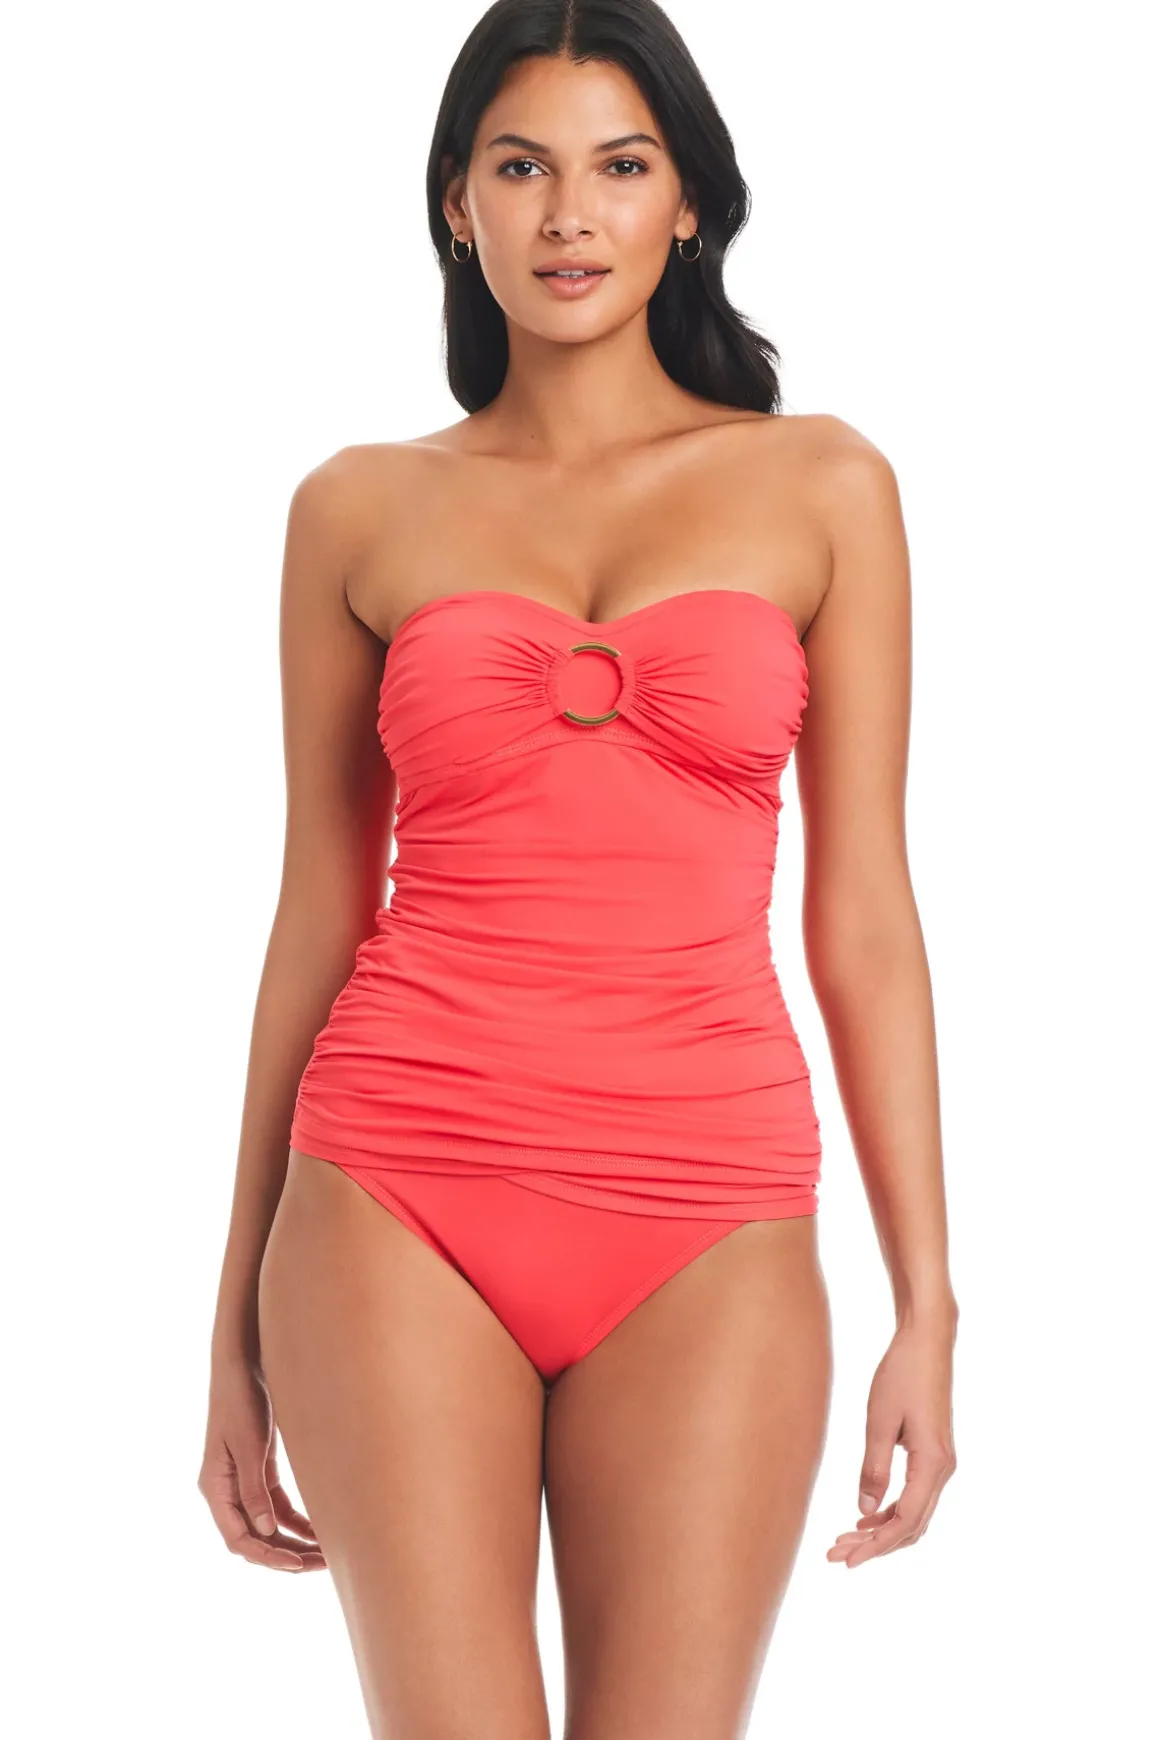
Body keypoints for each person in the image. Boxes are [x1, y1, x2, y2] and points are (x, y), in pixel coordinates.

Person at [199, 2, 958, 1734]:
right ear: (454, 203)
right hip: (395, 1193)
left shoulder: (824, 486)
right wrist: (230, 1317)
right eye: (520, 168)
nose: (568, 216)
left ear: (688, 201)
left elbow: (865, 919)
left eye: (619, 166)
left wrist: (929, 1299)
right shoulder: (357, 507)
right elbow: (316, 914)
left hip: (711, 1209)